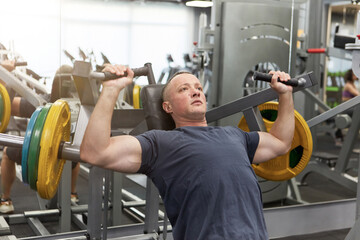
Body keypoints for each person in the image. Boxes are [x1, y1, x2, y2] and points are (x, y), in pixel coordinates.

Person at [80, 64, 294, 239]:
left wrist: (285, 95)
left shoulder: (234, 135)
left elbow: (280, 141)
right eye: (184, 89)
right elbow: (95, 152)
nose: (195, 91)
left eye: (198, 88)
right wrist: (110, 90)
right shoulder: (161, 143)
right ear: (167, 107)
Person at [0, 61, 80, 214]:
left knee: (7, 153)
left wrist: (3, 78)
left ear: (54, 84)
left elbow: (5, 105)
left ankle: (6, 199)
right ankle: (72, 193)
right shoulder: (80, 105)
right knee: (76, 152)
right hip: (69, 157)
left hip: (39, 157)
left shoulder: (44, 102)